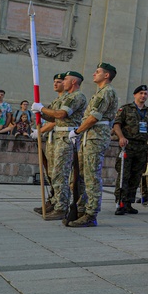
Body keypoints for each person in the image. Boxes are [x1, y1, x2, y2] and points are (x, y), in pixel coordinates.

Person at [66, 63, 119, 227]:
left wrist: (77, 131)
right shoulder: (100, 92)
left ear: (106, 75)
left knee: (91, 176)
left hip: (96, 138)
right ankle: (81, 209)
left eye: (98, 72)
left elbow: (94, 117)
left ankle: (91, 214)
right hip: (89, 137)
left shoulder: (107, 92)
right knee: (79, 174)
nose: (94, 74)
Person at [33, 71, 87, 220]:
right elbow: (52, 116)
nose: (63, 82)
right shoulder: (67, 97)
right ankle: (56, 203)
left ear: (74, 82)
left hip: (67, 137)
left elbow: (61, 114)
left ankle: (61, 207)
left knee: (60, 173)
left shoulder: (77, 96)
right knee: (55, 172)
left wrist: (41, 109)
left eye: (66, 80)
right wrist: (40, 112)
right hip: (59, 136)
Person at [112, 85, 148, 215]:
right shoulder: (125, 109)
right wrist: (121, 137)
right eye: (141, 93)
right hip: (128, 145)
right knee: (123, 175)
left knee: (136, 176)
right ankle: (120, 202)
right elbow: (117, 125)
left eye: (145, 94)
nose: (143, 96)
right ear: (135, 95)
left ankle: (129, 203)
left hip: (142, 147)